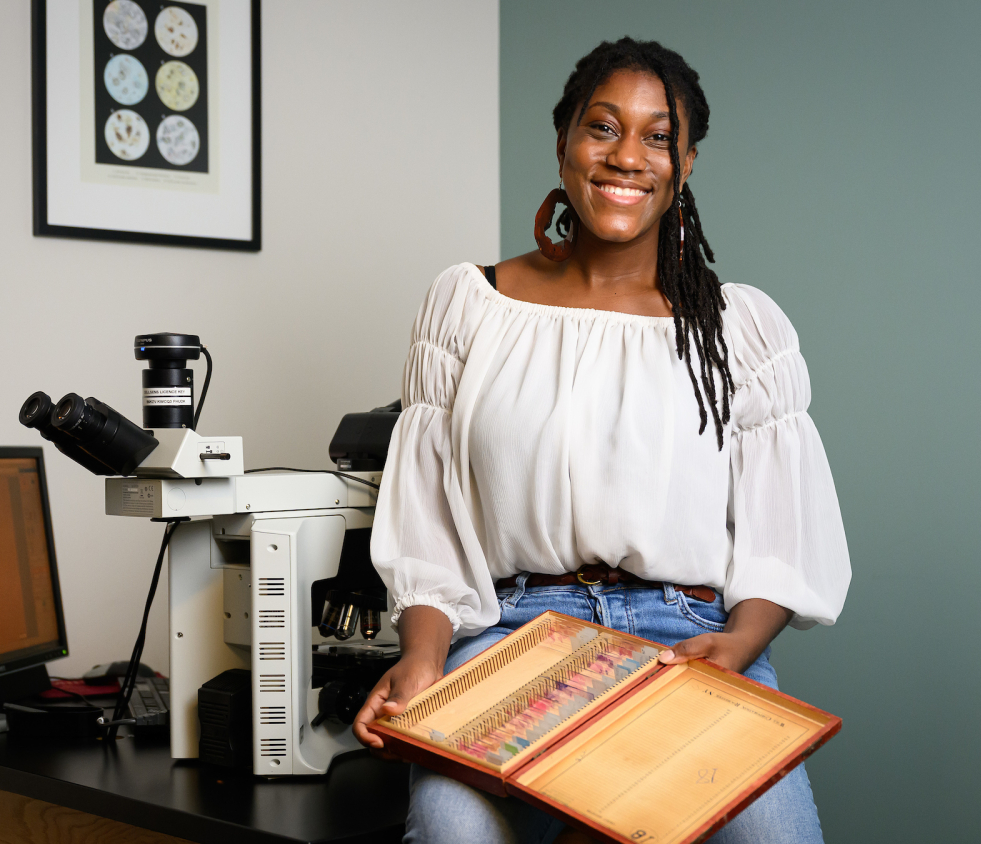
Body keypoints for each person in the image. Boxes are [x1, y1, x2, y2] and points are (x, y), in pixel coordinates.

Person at [352, 37, 851, 844]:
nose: (628, 157)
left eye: (658, 137)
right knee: (453, 834)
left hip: (686, 643)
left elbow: (783, 537)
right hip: (511, 638)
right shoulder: (469, 306)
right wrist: (420, 656)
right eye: (604, 128)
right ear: (563, 144)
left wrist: (737, 645)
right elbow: (429, 526)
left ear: (686, 162)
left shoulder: (741, 330)